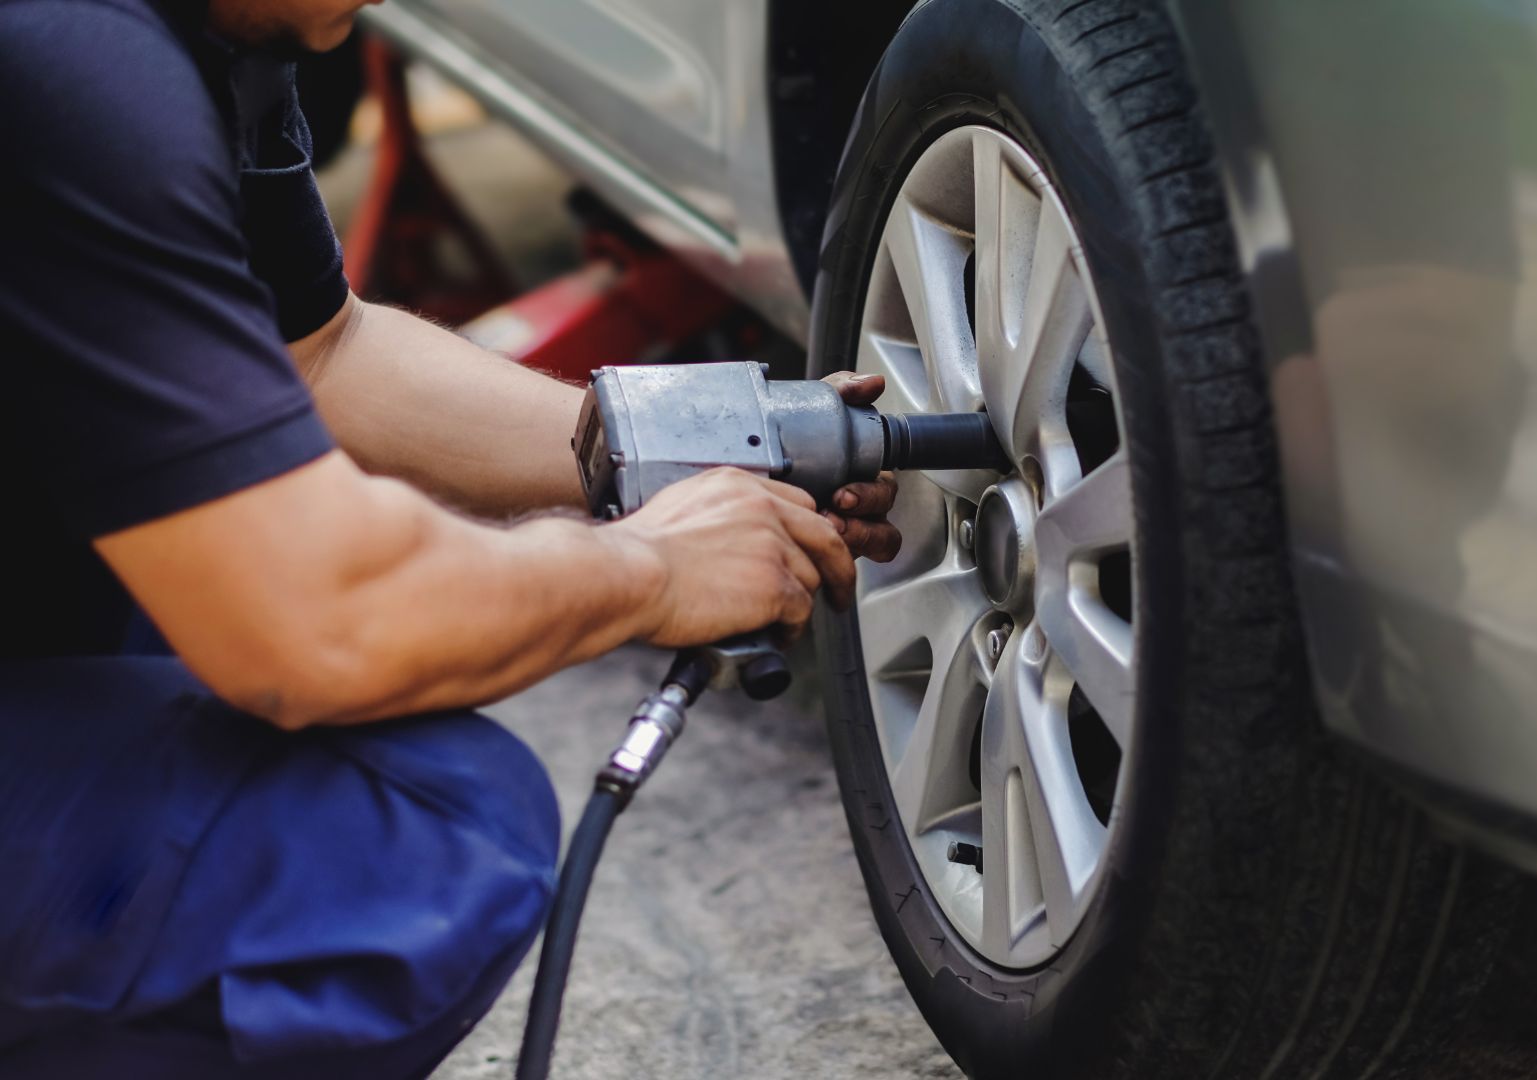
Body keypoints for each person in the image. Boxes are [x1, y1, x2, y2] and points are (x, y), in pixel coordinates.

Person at [0, 0, 900, 1075]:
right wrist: (649, 568)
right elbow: (315, 625)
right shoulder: (66, 64)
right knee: (418, 843)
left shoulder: (222, 34)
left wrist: (683, 444)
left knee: (169, 583)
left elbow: (321, 355)